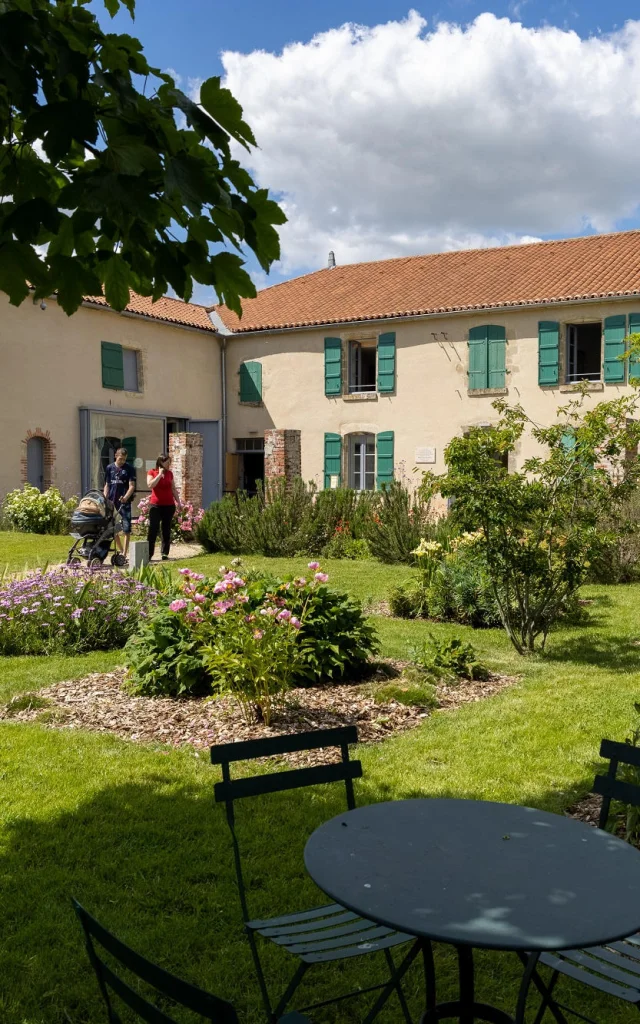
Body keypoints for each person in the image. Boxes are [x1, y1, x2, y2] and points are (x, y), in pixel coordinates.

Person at [146, 454, 181, 561]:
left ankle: (164, 553)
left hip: (169, 506)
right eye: (168, 462)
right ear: (161, 462)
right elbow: (150, 485)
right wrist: (159, 475)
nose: (169, 464)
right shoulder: (152, 472)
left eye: (170, 462)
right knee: (153, 529)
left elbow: (173, 489)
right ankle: (149, 554)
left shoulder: (170, 474)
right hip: (155, 506)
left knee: (166, 530)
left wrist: (178, 502)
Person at [103, 447, 136, 560]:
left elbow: (132, 486)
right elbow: (107, 484)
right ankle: (121, 550)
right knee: (113, 528)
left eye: (124, 459)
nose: (122, 461)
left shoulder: (129, 469)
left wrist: (126, 497)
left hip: (124, 502)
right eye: (120, 459)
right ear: (116, 456)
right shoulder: (109, 468)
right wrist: (104, 498)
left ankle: (125, 553)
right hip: (112, 502)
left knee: (126, 528)